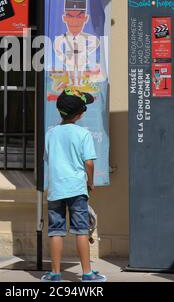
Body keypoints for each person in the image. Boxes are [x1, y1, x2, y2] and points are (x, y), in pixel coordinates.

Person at [41, 87, 107, 282]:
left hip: (55, 189)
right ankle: (87, 274)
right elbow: (88, 162)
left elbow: (48, 158)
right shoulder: (82, 134)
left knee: (56, 231)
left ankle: (54, 274)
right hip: (77, 188)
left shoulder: (50, 134)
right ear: (79, 115)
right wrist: (91, 182)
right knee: (81, 230)